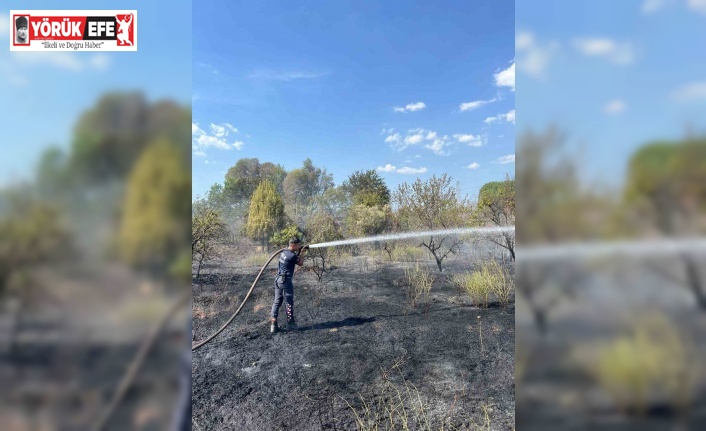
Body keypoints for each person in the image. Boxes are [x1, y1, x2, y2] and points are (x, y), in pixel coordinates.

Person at [270, 237, 307, 333]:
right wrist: (302, 253)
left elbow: (293, 257)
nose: (300, 246)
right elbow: (300, 263)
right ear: (293, 245)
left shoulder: (284, 252)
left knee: (276, 302)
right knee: (289, 302)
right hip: (286, 282)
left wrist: (299, 252)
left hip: (278, 280)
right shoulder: (292, 256)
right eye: (298, 245)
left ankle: (273, 325)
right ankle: (291, 323)